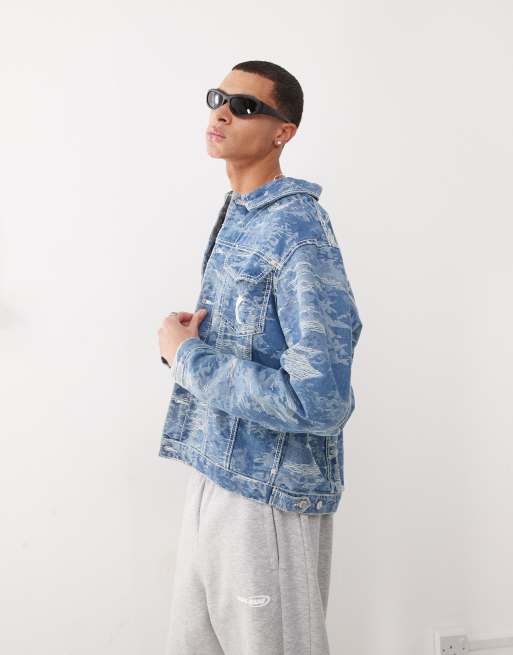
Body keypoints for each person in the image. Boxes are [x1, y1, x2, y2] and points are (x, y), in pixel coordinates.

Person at [157, 60, 363, 655]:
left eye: (245, 106)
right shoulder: (240, 213)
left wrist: (188, 359)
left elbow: (320, 399)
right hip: (213, 469)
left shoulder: (297, 229)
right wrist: (192, 343)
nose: (222, 113)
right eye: (219, 98)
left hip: (266, 494)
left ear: (283, 132)